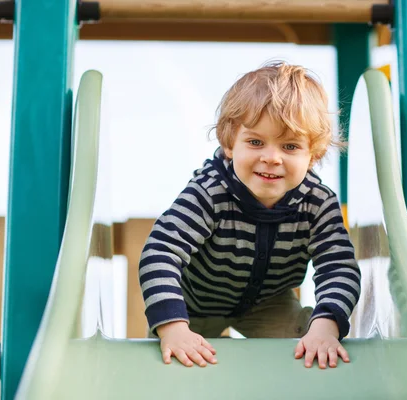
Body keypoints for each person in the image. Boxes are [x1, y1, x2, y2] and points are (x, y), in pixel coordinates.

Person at [138, 61, 361, 370]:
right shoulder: (209, 193)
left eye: (290, 146)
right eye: (256, 142)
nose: (271, 157)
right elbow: (160, 253)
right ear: (230, 143)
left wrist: (326, 324)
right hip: (193, 306)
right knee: (174, 361)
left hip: (267, 304)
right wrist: (173, 326)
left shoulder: (317, 203)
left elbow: (338, 267)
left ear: (314, 154)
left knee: (310, 350)